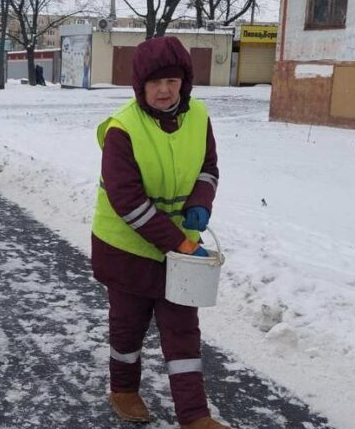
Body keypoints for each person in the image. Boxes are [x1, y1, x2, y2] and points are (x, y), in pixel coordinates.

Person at [90, 36, 222, 429]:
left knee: (182, 330)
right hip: (126, 249)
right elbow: (126, 200)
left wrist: (201, 200)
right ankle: (124, 389)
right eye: (154, 83)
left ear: (185, 81)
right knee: (128, 327)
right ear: (140, 86)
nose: (165, 90)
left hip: (181, 252)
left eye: (173, 80)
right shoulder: (122, 129)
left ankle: (195, 415)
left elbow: (209, 167)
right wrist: (179, 242)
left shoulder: (199, 116)